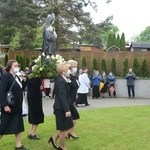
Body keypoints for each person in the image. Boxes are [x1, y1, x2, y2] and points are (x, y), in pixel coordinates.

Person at [0, 60, 28, 150]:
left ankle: (18, 145)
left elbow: (21, 89)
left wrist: (25, 81)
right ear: (10, 67)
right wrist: (5, 105)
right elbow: (2, 92)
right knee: (3, 127)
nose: (17, 67)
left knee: (18, 126)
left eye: (18, 66)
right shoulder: (6, 76)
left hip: (17, 106)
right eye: (15, 66)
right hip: (9, 106)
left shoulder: (17, 76)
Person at [48, 62, 73, 150]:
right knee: (63, 128)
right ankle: (62, 147)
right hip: (61, 108)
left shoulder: (62, 79)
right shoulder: (60, 80)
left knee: (68, 125)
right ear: (63, 71)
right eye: (67, 69)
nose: (69, 71)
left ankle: (54, 138)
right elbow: (62, 95)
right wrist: (66, 110)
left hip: (63, 106)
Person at [27, 61, 44, 140]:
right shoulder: (34, 76)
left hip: (31, 96)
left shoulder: (29, 75)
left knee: (32, 114)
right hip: (35, 97)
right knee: (37, 114)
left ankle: (30, 132)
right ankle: (33, 132)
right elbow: (36, 84)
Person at [66, 60, 80, 139]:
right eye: (75, 66)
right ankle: (67, 132)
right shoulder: (68, 75)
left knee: (73, 117)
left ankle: (69, 132)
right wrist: (73, 77)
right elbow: (73, 85)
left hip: (73, 99)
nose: (76, 68)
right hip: (69, 99)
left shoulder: (74, 75)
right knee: (75, 116)